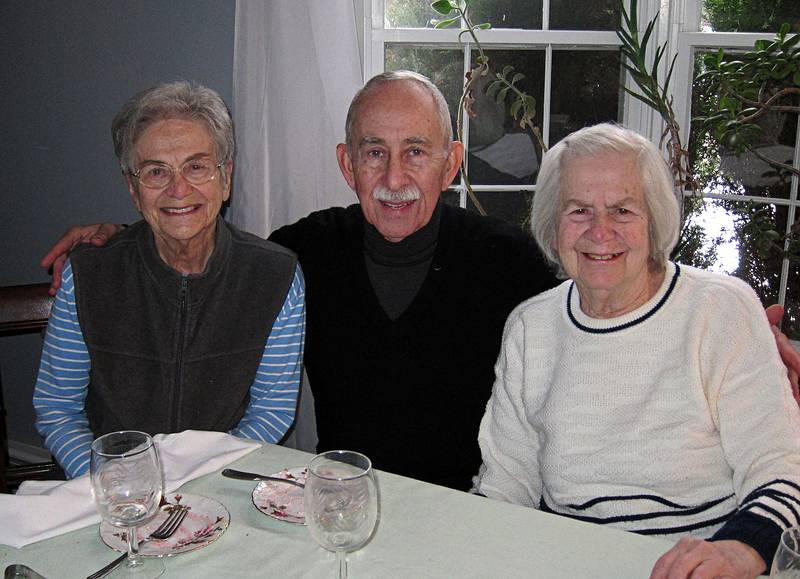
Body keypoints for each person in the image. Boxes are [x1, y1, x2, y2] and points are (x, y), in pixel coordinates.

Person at [39, 71, 800, 491]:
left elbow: (609, 279)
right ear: (347, 164)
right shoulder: (298, 256)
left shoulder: (507, 261)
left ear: (453, 161)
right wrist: (123, 236)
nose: (395, 176)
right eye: (374, 152)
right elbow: (210, 254)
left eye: (417, 152)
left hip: (478, 507)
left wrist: (736, 325)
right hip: (338, 502)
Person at [473, 123, 800, 578]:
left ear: (655, 221)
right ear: (553, 226)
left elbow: (782, 465)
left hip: (700, 564)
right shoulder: (532, 326)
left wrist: (740, 550)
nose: (600, 231)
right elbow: (506, 482)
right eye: (579, 210)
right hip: (566, 562)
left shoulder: (720, 309)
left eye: (623, 210)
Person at [33, 81, 305, 478]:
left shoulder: (275, 277)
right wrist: (110, 481)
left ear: (225, 178)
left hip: (219, 483)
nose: (179, 189)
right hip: (108, 488)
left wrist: (202, 481)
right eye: (156, 171)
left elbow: (271, 410)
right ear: (132, 188)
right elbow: (58, 407)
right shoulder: (89, 276)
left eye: (196, 166)